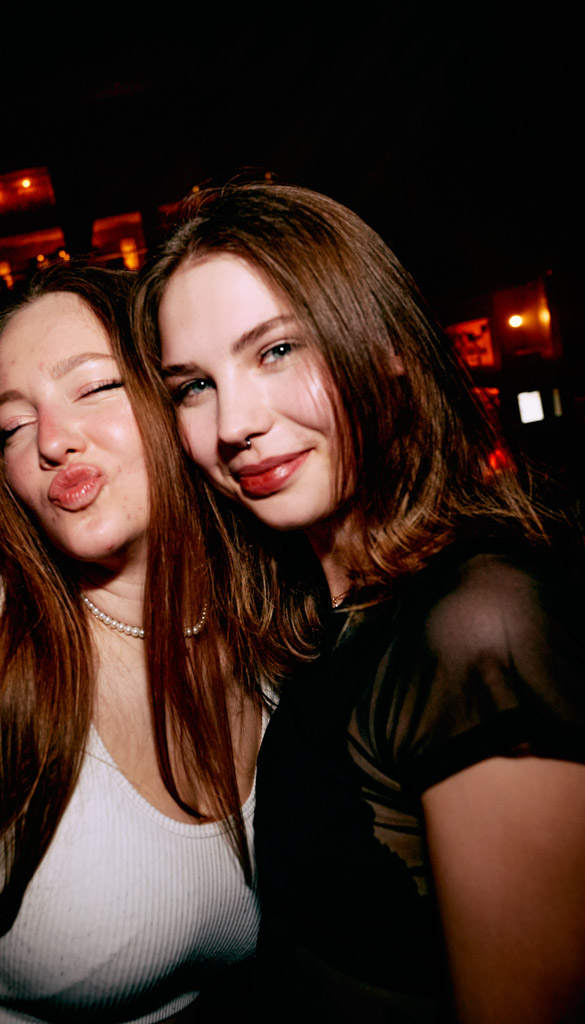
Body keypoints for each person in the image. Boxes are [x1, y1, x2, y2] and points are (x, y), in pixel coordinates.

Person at [130, 181, 585, 1023]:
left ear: (386, 347)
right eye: (192, 386)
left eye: (276, 350)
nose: (233, 423)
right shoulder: (324, 616)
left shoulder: (478, 626)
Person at [0, 261, 272, 1023]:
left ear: (180, 393)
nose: (52, 442)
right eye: (13, 426)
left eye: (93, 387)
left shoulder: (278, 623)